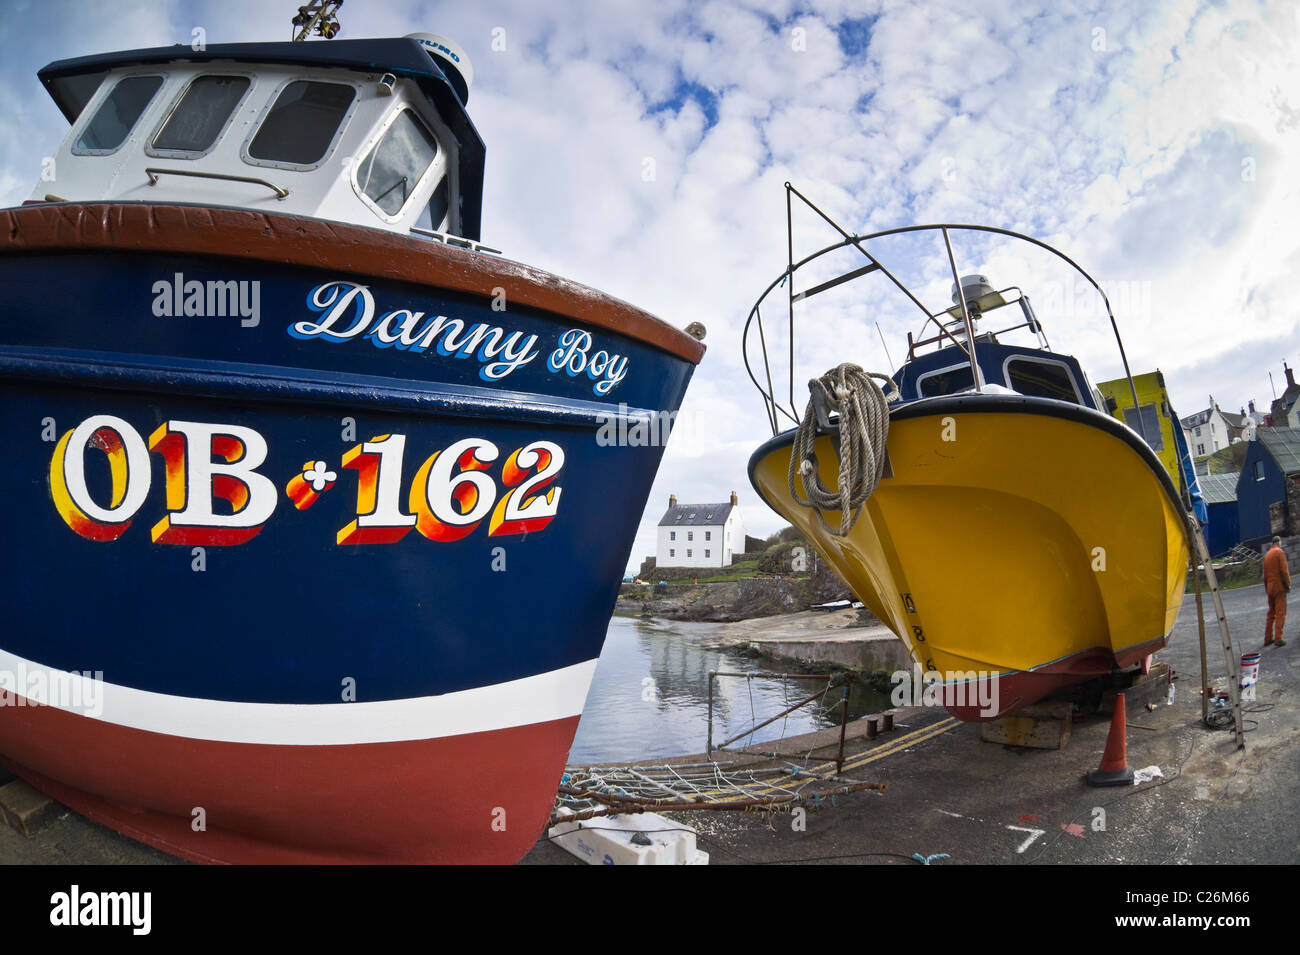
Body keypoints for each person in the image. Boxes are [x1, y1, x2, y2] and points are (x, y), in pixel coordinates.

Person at [1263, 536, 1290, 648]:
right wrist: (1287, 585)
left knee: (1271, 614)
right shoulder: (1279, 552)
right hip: (1279, 587)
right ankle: (1278, 638)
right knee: (1280, 613)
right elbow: (1284, 571)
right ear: (1279, 542)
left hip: (1270, 588)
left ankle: (1268, 638)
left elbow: (1264, 576)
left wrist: (1267, 589)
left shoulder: (1267, 555)